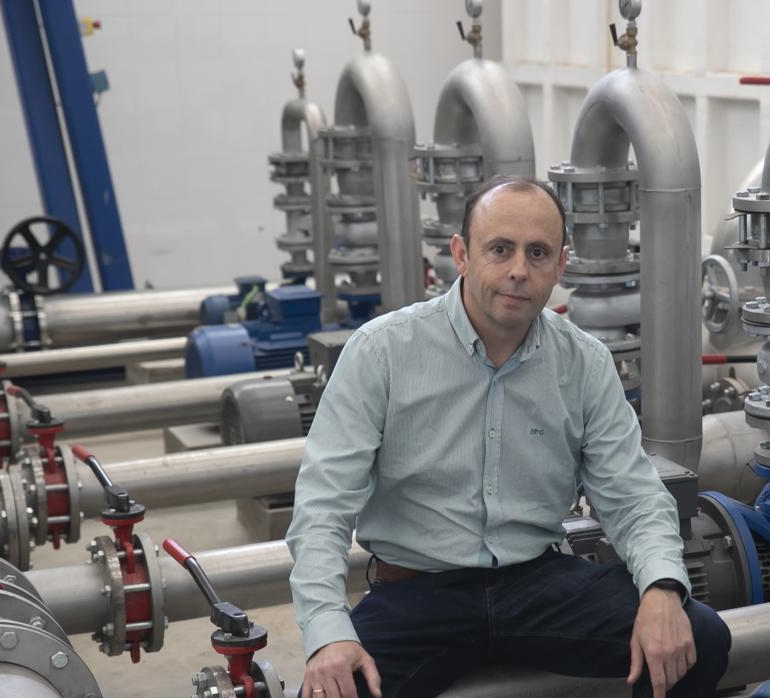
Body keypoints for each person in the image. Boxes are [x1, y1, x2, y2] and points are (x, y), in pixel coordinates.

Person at [287, 175, 730, 698]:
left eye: (537, 253)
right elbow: (322, 506)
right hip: (417, 591)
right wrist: (327, 634)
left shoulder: (583, 363)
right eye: (500, 249)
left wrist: (661, 587)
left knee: (698, 637)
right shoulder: (383, 351)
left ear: (560, 266)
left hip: (537, 584)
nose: (519, 270)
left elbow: (633, 496)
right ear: (462, 254)